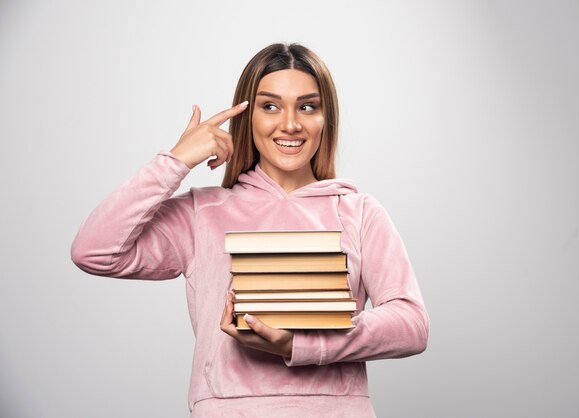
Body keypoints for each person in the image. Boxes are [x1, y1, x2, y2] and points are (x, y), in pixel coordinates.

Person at [71, 42, 429, 417]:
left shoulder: (359, 213)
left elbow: (411, 324)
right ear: (248, 117)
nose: (290, 124)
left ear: (327, 119)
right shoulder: (202, 213)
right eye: (270, 106)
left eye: (307, 106)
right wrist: (175, 161)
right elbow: (94, 250)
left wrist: (302, 343)